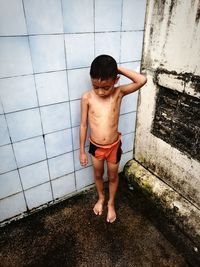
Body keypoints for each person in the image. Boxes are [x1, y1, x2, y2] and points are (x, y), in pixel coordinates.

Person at [79, 55, 147, 223]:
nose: (101, 91)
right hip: (95, 147)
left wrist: (118, 69)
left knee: (113, 176)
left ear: (115, 80)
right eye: (96, 86)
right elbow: (83, 125)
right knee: (97, 174)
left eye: (106, 87)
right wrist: (82, 151)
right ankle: (101, 198)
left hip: (113, 147)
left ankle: (110, 204)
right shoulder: (87, 98)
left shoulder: (119, 92)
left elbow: (142, 80)